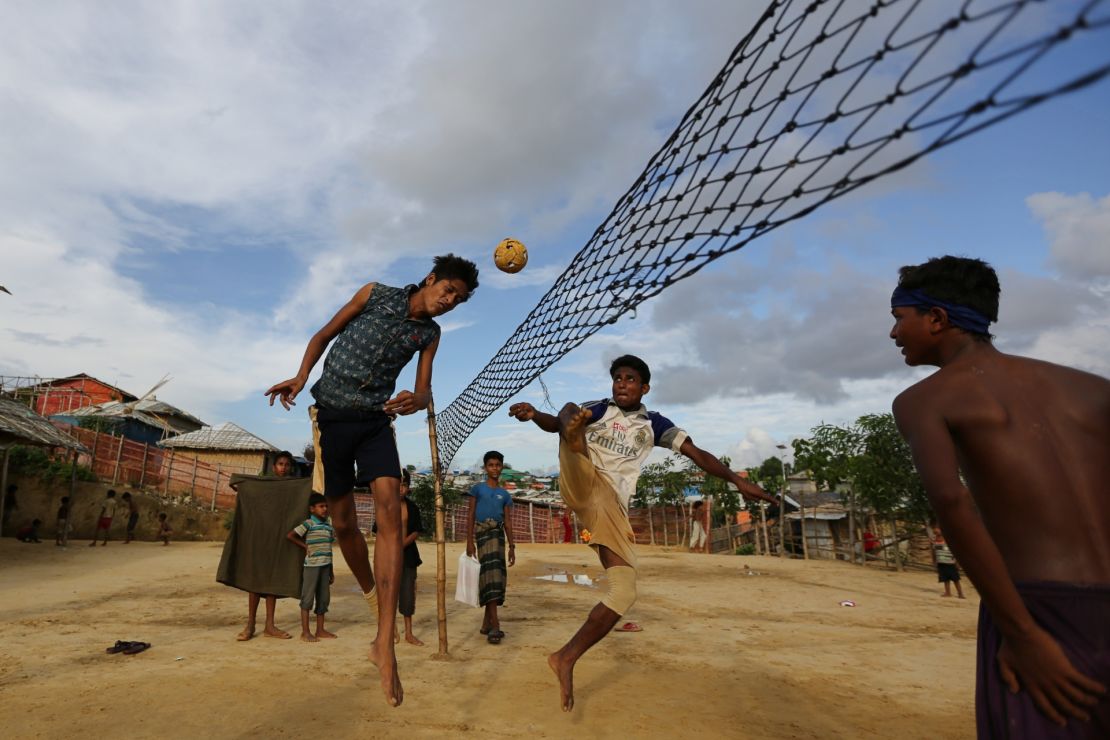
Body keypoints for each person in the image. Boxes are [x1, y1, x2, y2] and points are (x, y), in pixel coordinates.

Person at [888, 255, 1109, 736]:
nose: (893, 334)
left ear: (936, 318)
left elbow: (952, 503)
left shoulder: (924, 400)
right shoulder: (1093, 389)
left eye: (898, 318)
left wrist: (1022, 634)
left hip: (1040, 608)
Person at [265, 253, 479, 707]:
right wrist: (301, 377)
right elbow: (323, 334)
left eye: (457, 300)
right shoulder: (374, 294)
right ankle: (368, 590)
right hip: (331, 419)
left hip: (376, 422)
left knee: (390, 516)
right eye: (447, 291)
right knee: (343, 524)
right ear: (430, 278)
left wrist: (415, 400)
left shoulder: (429, 334)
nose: (448, 301)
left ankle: (384, 644)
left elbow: (424, 392)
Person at [509, 354, 776, 711]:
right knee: (571, 413)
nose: (622, 383)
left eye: (630, 379)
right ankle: (575, 439)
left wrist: (736, 480)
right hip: (583, 477)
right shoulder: (599, 410)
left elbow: (698, 455)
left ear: (644, 387)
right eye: (617, 377)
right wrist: (536, 416)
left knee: (624, 592)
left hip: (610, 505)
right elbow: (554, 421)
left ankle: (565, 657)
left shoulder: (655, 424)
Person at [237, 454, 296, 641]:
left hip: (280, 542)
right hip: (259, 539)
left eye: (287, 465)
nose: (283, 467)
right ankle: (250, 624)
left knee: (273, 583)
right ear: (273, 467)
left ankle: (270, 625)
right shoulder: (262, 484)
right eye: (280, 464)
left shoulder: (295, 488)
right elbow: (237, 485)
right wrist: (244, 488)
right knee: (255, 582)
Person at [466, 451, 515, 645]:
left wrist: (512, 546)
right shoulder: (477, 489)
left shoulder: (504, 495)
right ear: (485, 468)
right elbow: (470, 515)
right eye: (491, 465)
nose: (495, 468)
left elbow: (508, 523)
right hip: (482, 537)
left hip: (498, 537)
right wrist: (469, 541)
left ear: (502, 467)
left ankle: (487, 624)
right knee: (488, 577)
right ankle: (495, 625)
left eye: (498, 465)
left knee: (496, 578)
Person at [287, 493, 337, 642]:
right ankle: (305, 632)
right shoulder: (308, 523)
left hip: (325, 566)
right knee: (307, 598)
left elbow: (329, 548)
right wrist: (305, 546)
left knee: (323, 599)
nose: (325, 509)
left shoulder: (329, 525)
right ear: (312, 509)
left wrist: (331, 570)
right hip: (312, 567)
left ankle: (320, 630)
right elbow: (290, 536)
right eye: (321, 506)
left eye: (326, 506)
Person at [932, 524, 965, 599]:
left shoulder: (948, 539)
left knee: (955, 579)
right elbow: (933, 551)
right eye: (934, 528)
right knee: (945, 578)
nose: (935, 530)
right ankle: (948, 592)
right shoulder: (934, 540)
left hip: (950, 562)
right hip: (941, 562)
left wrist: (957, 562)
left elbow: (956, 551)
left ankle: (960, 593)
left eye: (937, 528)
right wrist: (934, 561)